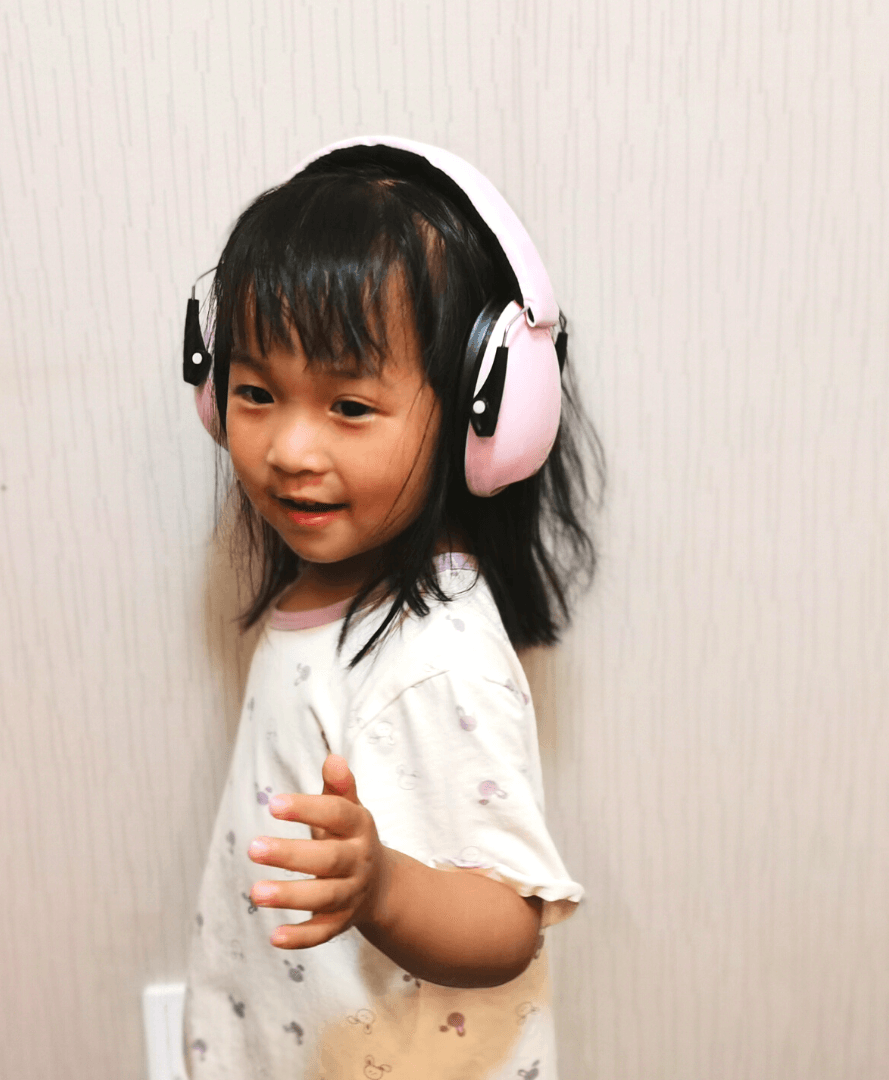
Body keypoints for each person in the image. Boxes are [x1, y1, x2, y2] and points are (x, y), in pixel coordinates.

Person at [180, 137, 603, 1080]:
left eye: (350, 407)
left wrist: (381, 885)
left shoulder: (437, 657)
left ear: (486, 409)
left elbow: (508, 921)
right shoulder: (324, 591)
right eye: (255, 391)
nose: (289, 447)